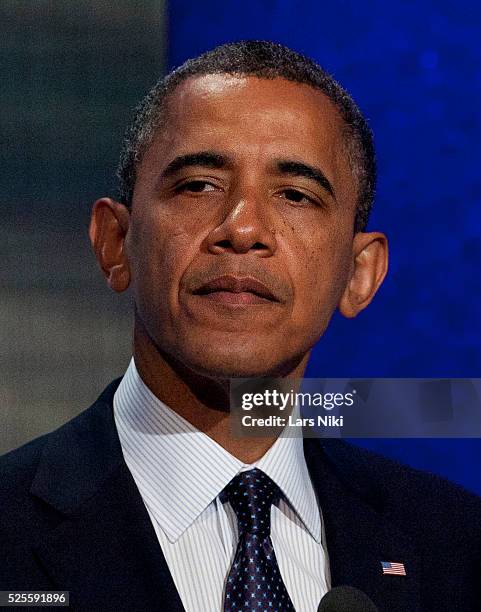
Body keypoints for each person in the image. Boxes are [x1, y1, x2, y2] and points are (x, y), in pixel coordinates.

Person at [1, 41, 480, 612]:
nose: (243, 228)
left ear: (359, 274)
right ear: (115, 243)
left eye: (295, 195)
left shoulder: (458, 550)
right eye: (198, 185)